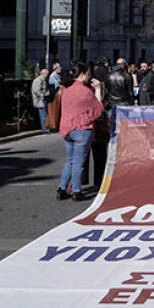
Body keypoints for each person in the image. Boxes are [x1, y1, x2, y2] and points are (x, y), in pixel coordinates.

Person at [57, 61, 104, 201]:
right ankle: (76, 191)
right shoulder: (86, 92)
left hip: (67, 128)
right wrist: (98, 89)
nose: (89, 77)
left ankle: (62, 188)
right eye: (88, 74)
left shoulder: (67, 90)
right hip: (82, 129)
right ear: (82, 74)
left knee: (70, 160)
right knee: (78, 162)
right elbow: (98, 110)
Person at [105, 58, 134, 134]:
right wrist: (132, 104)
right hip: (124, 102)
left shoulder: (108, 76)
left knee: (112, 125)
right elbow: (130, 93)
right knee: (123, 126)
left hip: (111, 102)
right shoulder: (127, 76)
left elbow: (106, 90)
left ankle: (112, 138)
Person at [31, 68, 51, 133]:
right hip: (40, 100)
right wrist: (44, 94)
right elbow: (37, 91)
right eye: (47, 74)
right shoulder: (38, 80)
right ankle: (45, 129)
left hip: (43, 99)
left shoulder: (44, 80)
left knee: (45, 115)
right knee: (43, 115)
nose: (47, 75)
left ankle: (46, 128)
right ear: (43, 74)